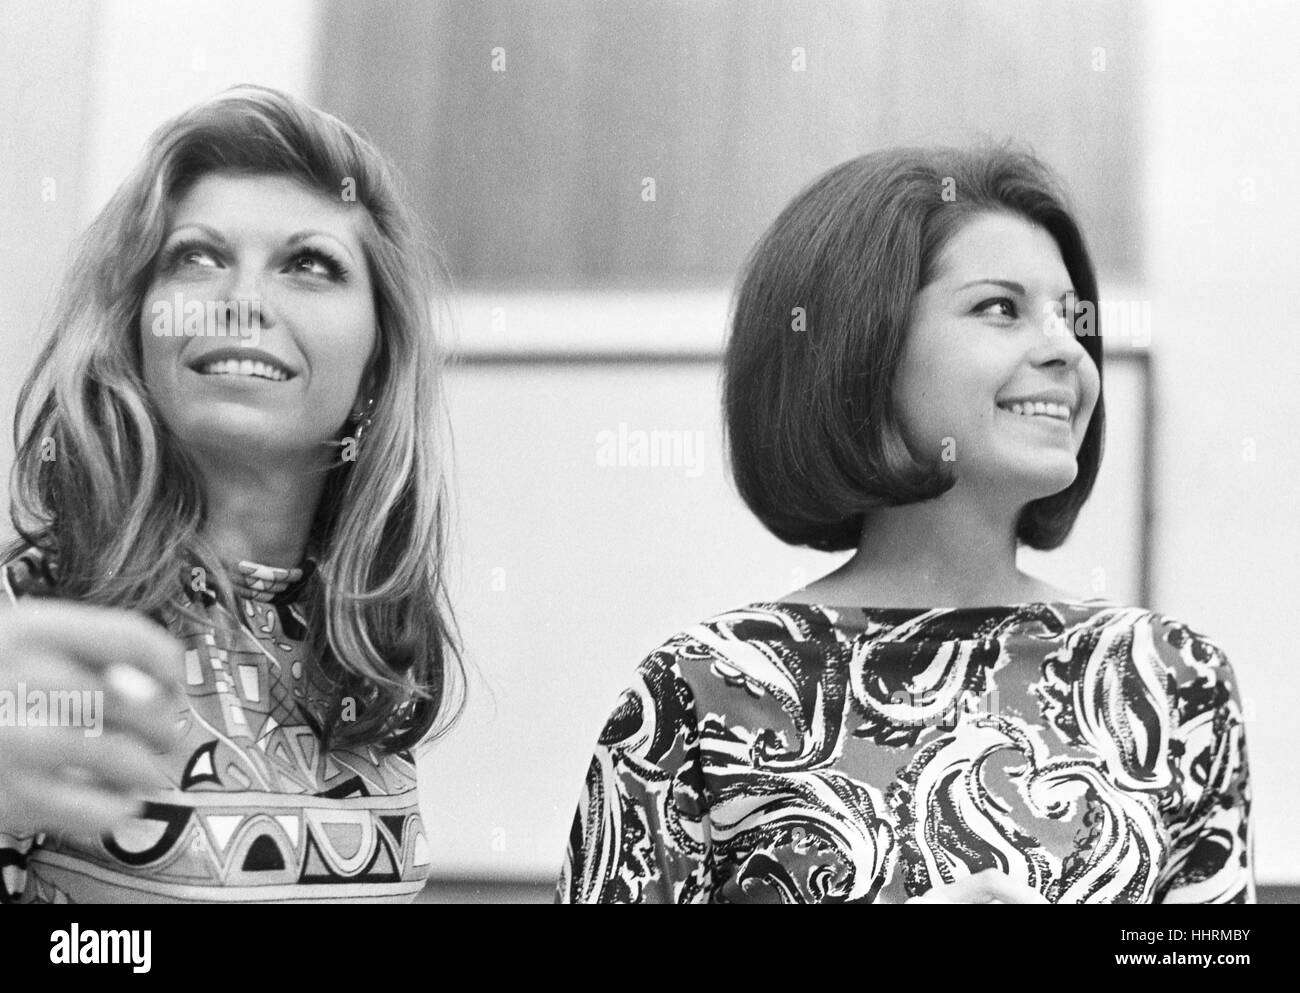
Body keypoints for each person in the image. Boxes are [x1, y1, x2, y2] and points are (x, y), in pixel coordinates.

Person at [557, 145, 1254, 904]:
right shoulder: (703, 687)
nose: (1066, 350)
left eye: (1071, 317)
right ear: (865, 346)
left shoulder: (1173, 677)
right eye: (1001, 308)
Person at [0, 84, 462, 903]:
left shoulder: (365, 655)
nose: (242, 301)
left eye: (309, 265)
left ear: (376, 367)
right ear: (135, 328)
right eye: (197, 256)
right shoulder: (31, 620)